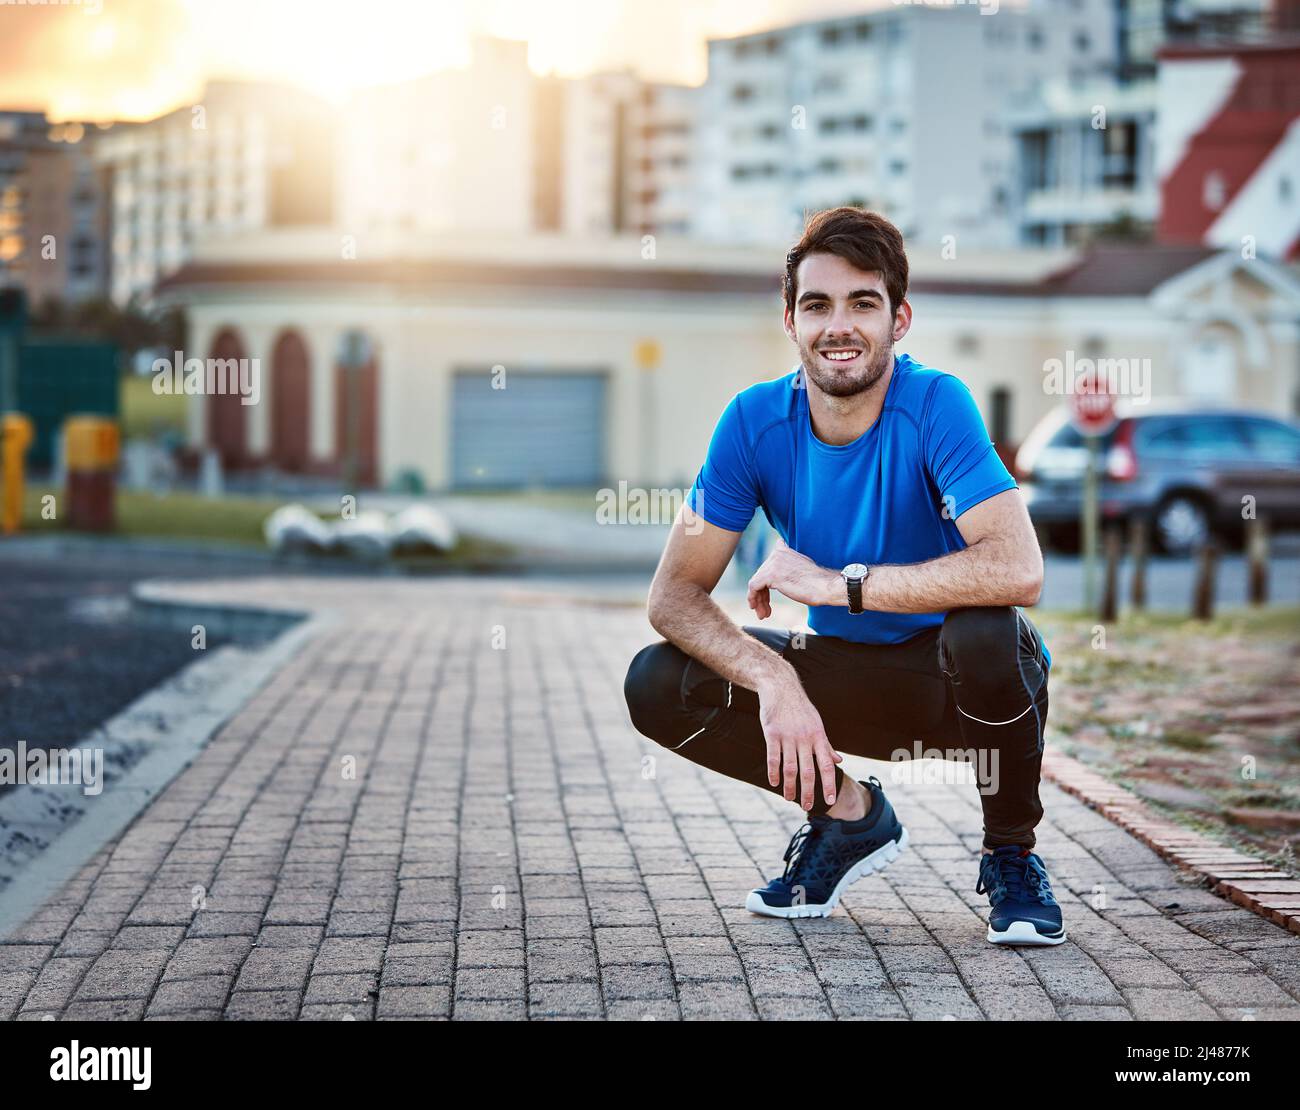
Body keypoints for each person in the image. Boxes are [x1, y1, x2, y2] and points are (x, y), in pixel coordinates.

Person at [623, 207, 1064, 946]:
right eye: (819, 305)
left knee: (985, 628)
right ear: (790, 319)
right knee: (657, 680)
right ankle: (850, 817)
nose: (841, 326)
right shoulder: (752, 423)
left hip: (968, 690)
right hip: (849, 681)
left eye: (864, 303)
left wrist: (843, 585)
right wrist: (774, 678)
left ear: (900, 319)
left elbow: (1019, 569)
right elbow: (672, 595)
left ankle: (1011, 855)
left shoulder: (936, 404)